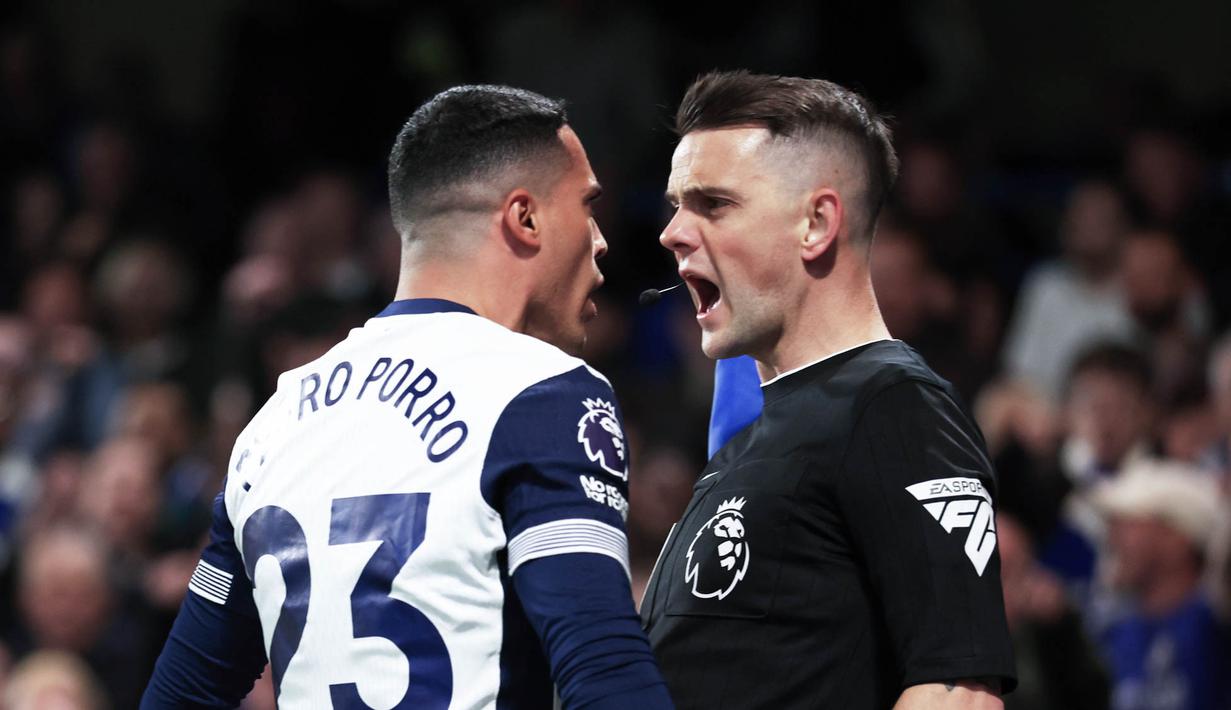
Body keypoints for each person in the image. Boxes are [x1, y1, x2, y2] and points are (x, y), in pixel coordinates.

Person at [143, 85, 673, 709]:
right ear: (524, 217)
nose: (600, 239)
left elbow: (180, 696)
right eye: (586, 207)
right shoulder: (542, 393)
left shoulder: (272, 424)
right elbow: (604, 668)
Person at [640, 70, 1015, 709]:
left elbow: (959, 694)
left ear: (817, 221)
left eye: (713, 204)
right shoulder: (755, 436)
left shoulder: (894, 407)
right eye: (677, 204)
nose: (673, 232)